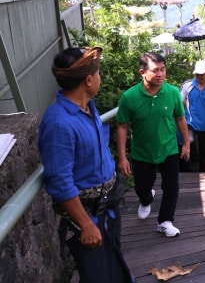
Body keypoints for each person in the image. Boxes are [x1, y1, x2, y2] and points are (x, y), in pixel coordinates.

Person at [38, 47, 135, 283]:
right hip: (86, 218)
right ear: (88, 79)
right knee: (97, 276)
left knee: (113, 268)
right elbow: (59, 182)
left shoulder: (88, 108)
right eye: (98, 73)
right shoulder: (59, 123)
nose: (99, 77)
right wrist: (86, 225)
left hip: (105, 209)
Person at [115, 52, 190, 237]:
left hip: (169, 148)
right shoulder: (129, 97)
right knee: (141, 187)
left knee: (172, 187)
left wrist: (186, 143)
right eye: (155, 70)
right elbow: (122, 127)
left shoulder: (172, 92)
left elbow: (180, 119)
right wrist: (123, 157)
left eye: (163, 69)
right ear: (142, 72)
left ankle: (165, 221)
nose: (161, 74)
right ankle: (146, 198)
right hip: (142, 152)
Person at [180, 60, 205, 172]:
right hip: (190, 122)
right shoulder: (187, 85)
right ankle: (190, 172)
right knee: (190, 143)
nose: (199, 76)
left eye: (202, 74)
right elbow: (180, 101)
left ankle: (203, 171)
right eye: (197, 74)